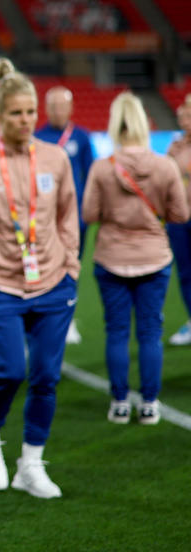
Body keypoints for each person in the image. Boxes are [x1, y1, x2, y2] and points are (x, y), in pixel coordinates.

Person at [0, 58, 79, 500]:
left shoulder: (55, 157)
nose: (27, 119)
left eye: (31, 111)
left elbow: (68, 213)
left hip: (54, 284)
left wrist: (71, 264)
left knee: (46, 376)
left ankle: (31, 463)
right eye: (17, 113)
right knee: (9, 372)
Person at [81, 92, 189, 426]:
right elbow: (181, 214)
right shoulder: (165, 165)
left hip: (111, 257)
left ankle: (119, 402)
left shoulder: (103, 168)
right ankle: (150, 403)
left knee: (116, 332)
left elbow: (89, 213)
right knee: (149, 333)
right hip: (154, 258)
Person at [35, 86, 94, 344]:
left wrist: (87, 212)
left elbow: (91, 177)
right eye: (54, 106)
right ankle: (38, 320)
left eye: (63, 105)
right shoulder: (37, 137)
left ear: (71, 108)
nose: (59, 110)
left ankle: (67, 319)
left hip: (75, 220)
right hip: (43, 219)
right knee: (42, 268)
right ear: (46, 109)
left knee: (71, 268)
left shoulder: (81, 138)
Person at [166, 94, 191, 346]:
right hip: (179, 220)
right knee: (185, 273)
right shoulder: (175, 148)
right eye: (181, 115)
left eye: (187, 115)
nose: (183, 119)